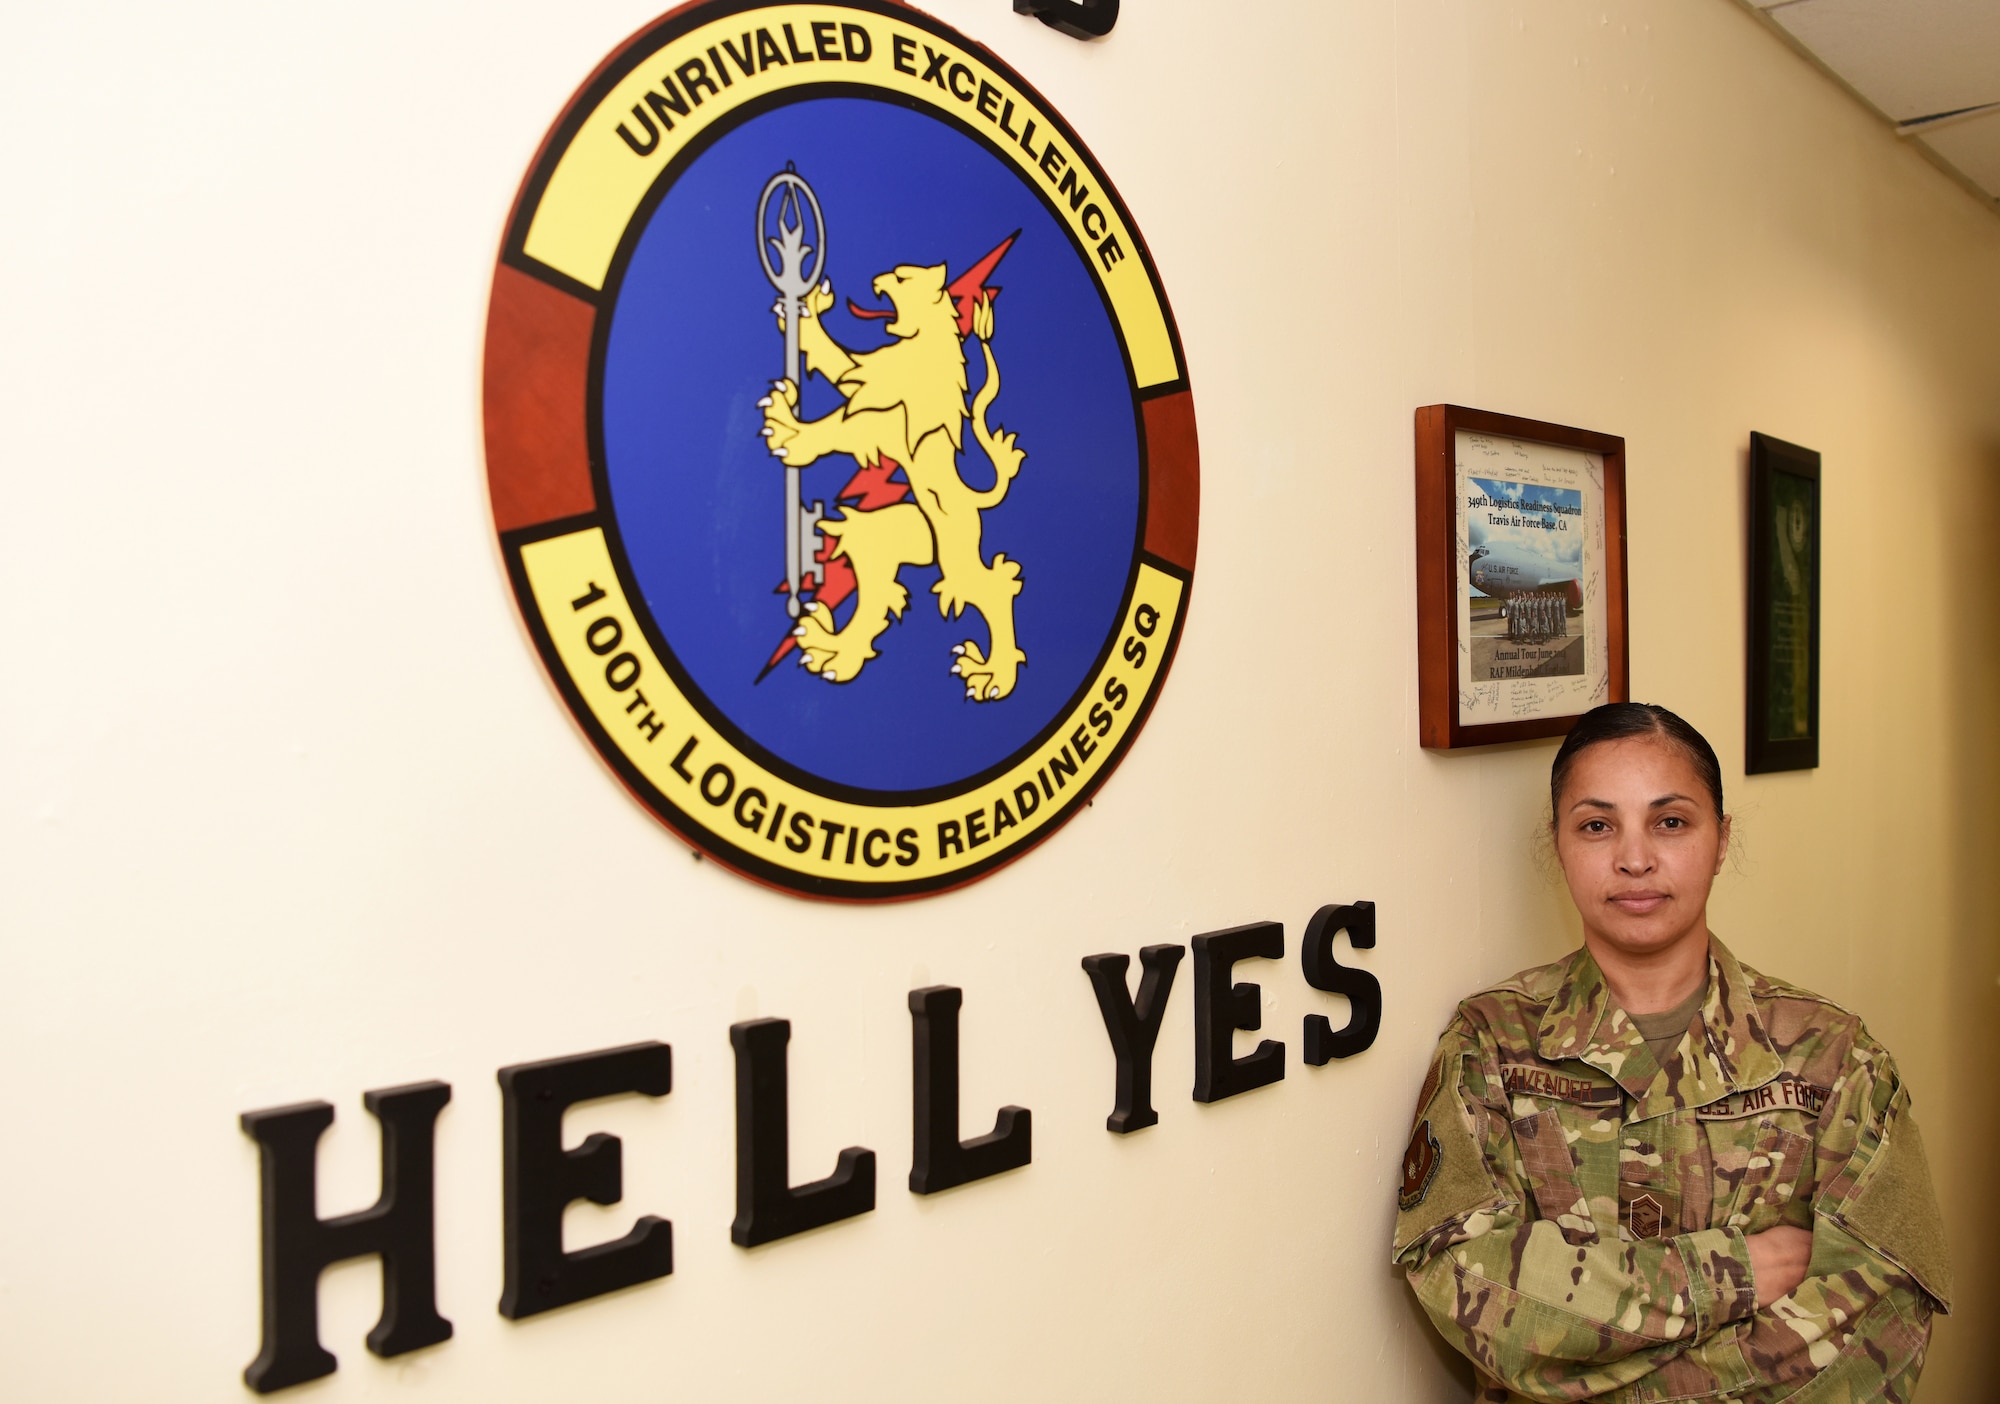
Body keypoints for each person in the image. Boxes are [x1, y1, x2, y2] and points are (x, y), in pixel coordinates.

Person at [1393, 703, 1950, 1402]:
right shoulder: (1491, 1046)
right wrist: (1735, 1269)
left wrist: (1586, 1357)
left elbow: (1881, 1328)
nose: (1634, 858)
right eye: (1597, 826)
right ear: (1558, 843)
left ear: (1720, 840)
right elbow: (1462, 1280)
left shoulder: (1836, 1061)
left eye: (1671, 822)